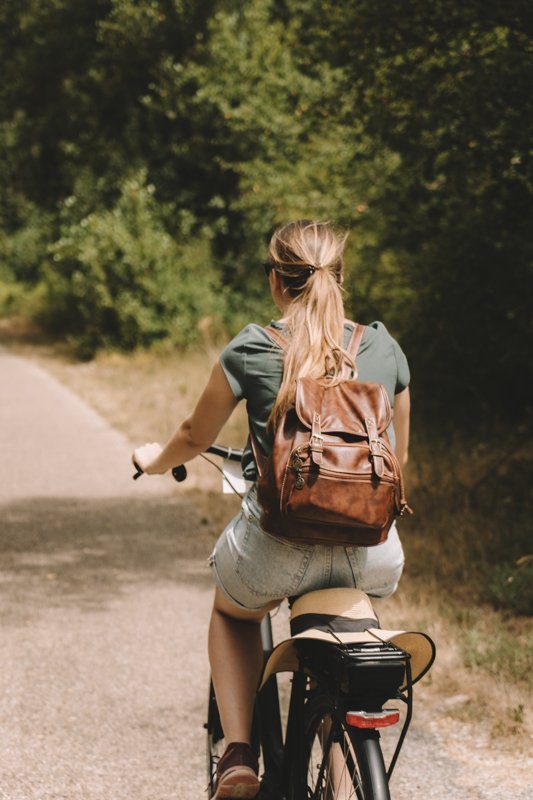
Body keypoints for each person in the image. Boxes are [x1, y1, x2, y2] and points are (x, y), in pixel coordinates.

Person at [132, 220, 411, 800]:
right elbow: (397, 468)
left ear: (277, 281)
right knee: (346, 644)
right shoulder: (383, 347)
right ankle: (340, 769)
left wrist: (154, 460)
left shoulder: (254, 346)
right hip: (371, 555)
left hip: (274, 551)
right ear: (339, 277)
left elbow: (191, 434)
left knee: (232, 614)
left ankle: (238, 753)